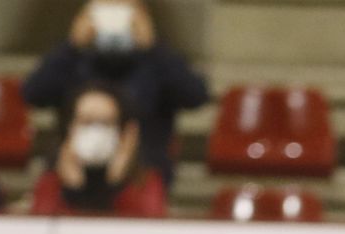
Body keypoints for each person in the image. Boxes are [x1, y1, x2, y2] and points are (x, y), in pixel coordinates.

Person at [22, 0, 208, 187]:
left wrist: (154, 48)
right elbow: (33, 94)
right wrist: (71, 46)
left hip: (143, 177)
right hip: (72, 176)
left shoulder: (157, 63)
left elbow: (195, 96)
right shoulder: (73, 61)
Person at [31, 83, 167, 218]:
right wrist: (73, 191)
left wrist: (116, 185)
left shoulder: (145, 182)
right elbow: (43, 233)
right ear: (69, 128)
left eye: (106, 122)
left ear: (126, 132)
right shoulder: (51, 183)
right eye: (86, 122)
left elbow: (146, 233)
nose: (96, 130)